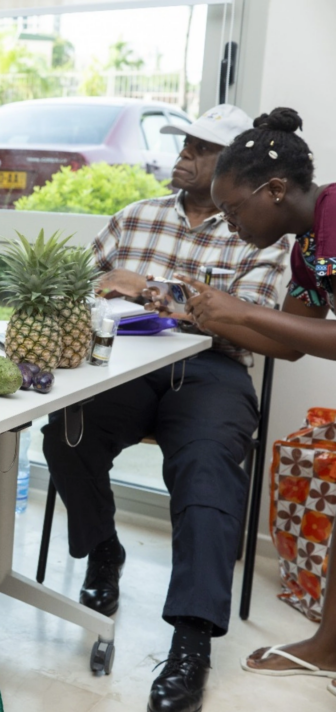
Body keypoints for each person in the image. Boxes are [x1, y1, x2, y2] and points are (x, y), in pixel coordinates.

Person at [41, 104, 289, 712]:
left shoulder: (258, 229)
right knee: (67, 430)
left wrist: (149, 289)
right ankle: (104, 551)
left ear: (233, 165)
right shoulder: (136, 217)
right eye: (184, 144)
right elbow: (79, 280)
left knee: (206, 468)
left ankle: (191, 640)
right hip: (127, 361)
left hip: (211, 371)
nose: (182, 155)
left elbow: (247, 319)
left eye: (199, 149)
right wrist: (104, 286)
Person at [174, 108, 336, 696]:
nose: (230, 224)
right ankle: (328, 647)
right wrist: (207, 314)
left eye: (236, 211)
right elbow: (291, 343)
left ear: (274, 189)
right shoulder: (306, 247)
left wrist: (241, 309)